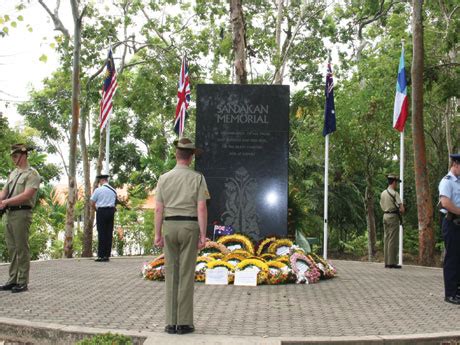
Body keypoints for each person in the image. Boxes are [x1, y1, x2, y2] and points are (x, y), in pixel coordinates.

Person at [154, 137, 210, 335]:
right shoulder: (197, 178)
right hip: (189, 226)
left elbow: (159, 209)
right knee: (186, 274)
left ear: (176, 155)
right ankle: (184, 323)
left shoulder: (164, 178)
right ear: (191, 157)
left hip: (169, 225)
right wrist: (203, 235)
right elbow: (201, 208)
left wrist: (157, 233)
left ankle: (170, 322)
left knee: (171, 273)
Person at [0, 144, 41, 293]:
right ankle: (13, 280)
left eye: (16, 156)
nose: (13, 159)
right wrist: (1, 200)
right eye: (12, 156)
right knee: (12, 248)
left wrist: (5, 202)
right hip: (9, 214)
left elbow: (26, 195)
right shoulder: (13, 173)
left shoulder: (32, 174)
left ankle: (23, 281)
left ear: (24, 155)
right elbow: (4, 192)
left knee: (21, 248)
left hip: (22, 213)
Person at [438, 153, 460, 305]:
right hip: (451, 223)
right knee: (452, 259)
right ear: (456, 164)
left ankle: (458, 291)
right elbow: (445, 203)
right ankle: (450, 293)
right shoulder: (447, 182)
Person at [380, 173, 405, 269]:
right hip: (393, 217)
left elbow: (381, 205)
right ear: (393, 182)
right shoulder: (395, 194)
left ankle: (387, 261)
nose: (397, 184)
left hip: (385, 215)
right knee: (393, 240)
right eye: (396, 183)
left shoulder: (383, 193)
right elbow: (402, 209)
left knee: (386, 238)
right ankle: (391, 262)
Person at [90, 174, 117, 262]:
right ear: (106, 180)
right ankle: (106, 255)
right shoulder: (113, 190)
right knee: (109, 232)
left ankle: (101, 255)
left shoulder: (98, 190)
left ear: (101, 181)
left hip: (101, 211)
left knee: (101, 233)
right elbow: (115, 201)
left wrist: (96, 210)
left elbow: (92, 202)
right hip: (111, 211)